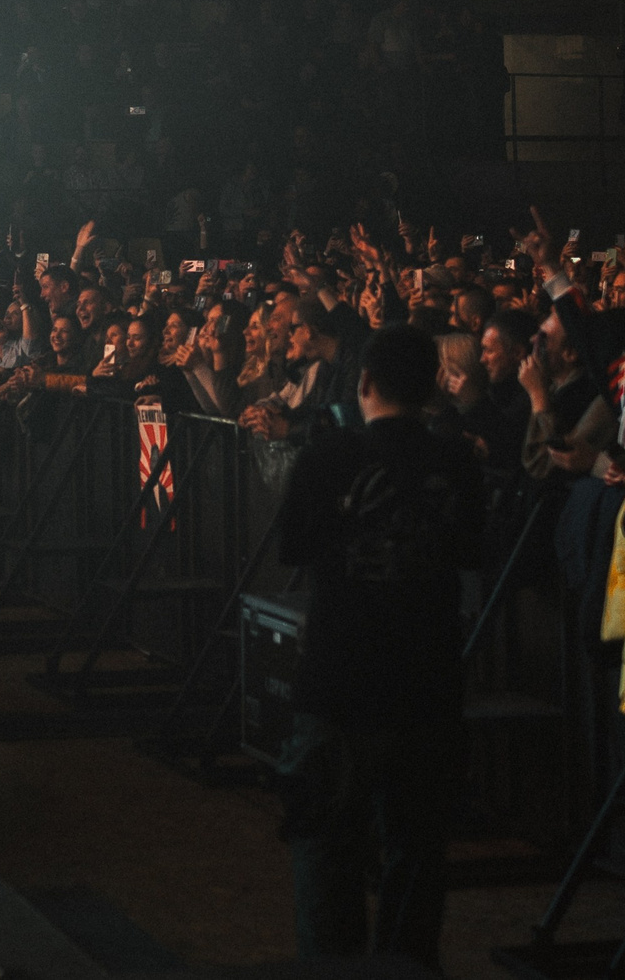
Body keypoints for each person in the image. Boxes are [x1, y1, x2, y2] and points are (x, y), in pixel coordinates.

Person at [275, 325, 485, 971]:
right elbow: (475, 549)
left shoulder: (328, 456)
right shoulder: (457, 462)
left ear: (364, 383)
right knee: (417, 855)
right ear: (429, 389)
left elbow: (291, 548)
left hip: (339, 683)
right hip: (427, 685)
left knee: (326, 849)